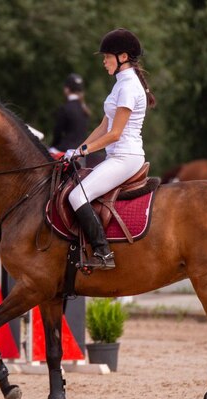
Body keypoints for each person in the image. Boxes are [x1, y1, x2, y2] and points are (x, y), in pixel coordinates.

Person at [63, 28, 156, 270]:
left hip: (126, 156)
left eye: (107, 57)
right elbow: (104, 125)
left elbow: (115, 133)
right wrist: (79, 148)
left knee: (77, 195)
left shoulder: (128, 87)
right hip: (117, 155)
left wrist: (83, 152)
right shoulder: (120, 84)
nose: (104, 62)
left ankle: (103, 253)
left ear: (123, 57)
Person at [48, 74, 91, 156]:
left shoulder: (65, 108)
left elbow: (57, 133)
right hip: (80, 152)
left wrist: (53, 147)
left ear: (67, 89)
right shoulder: (84, 110)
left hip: (65, 151)